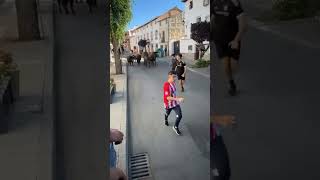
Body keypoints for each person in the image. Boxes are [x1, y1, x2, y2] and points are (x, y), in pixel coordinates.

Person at [211, 0, 248, 96]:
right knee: (225, 65)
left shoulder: (234, 3)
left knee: (233, 66)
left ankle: (232, 76)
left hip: (232, 40)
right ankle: (231, 83)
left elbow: (243, 24)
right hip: (219, 40)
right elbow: (212, 18)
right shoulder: (214, 3)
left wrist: (236, 40)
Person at [211, 115, 236, 180]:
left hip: (216, 138)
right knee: (218, 174)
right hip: (209, 144)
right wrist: (220, 119)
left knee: (226, 172)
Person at [163, 71, 184, 135]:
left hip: (175, 103)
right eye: (173, 77)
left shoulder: (172, 83)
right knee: (167, 113)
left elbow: (173, 93)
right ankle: (166, 119)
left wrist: (176, 100)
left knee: (179, 115)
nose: (175, 78)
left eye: (175, 77)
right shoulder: (166, 85)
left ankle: (175, 126)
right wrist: (178, 99)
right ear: (169, 76)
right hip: (168, 104)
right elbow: (168, 97)